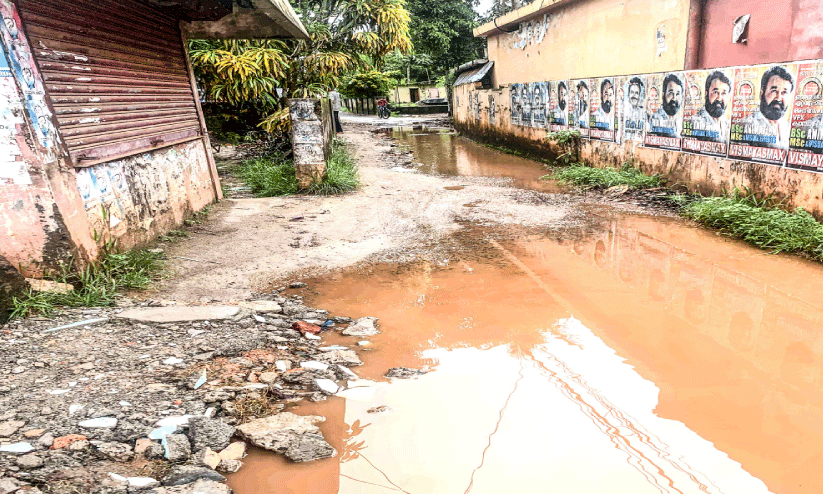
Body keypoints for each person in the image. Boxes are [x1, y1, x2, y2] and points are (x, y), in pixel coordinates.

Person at [739, 65, 794, 149]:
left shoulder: (788, 128)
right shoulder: (744, 125)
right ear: (761, 94)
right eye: (774, 91)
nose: (778, 98)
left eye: (784, 92)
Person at [689, 70, 731, 143]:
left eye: (724, 93)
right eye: (715, 92)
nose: (719, 98)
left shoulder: (728, 125)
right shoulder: (693, 122)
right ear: (706, 93)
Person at [648, 73, 683, 138]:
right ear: (663, 95)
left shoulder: (680, 120)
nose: (674, 98)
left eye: (678, 94)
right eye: (671, 93)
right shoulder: (656, 118)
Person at [622, 77, 645, 142]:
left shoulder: (642, 114)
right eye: (632, 92)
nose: (634, 96)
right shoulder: (624, 111)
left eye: (636, 93)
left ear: (639, 95)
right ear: (628, 94)